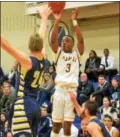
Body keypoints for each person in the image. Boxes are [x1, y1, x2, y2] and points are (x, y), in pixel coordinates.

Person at [1, 5, 52, 137]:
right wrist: (44, 18)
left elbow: (7, 46)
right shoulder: (43, 59)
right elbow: (42, 36)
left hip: (22, 106)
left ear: (29, 46)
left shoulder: (27, 61)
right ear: (41, 46)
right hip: (35, 105)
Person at [50, 8, 84, 137]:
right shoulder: (58, 53)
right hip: (59, 91)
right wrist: (56, 21)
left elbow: (81, 41)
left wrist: (74, 22)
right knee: (56, 125)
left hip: (71, 92)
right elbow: (53, 41)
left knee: (67, 125)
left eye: (66, 41)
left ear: (72, 43)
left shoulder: (77, 53)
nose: (63, 42)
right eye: (62, 41)